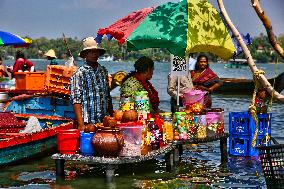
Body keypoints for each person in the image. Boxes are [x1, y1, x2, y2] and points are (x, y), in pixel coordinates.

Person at [70, 37, 113, 131]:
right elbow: (76, 100)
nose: (94, 54)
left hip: (103, 121)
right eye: (91, 52)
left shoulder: (103, 71)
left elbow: (107, 96)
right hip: (87, 122)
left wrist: (112, 116)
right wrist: (81, 124)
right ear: (85, 54)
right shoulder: (79, 74)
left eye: (96, 52)